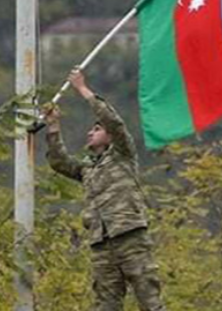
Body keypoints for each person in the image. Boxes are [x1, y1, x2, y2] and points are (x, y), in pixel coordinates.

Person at [44, 68, 167, 311]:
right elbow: (59, 162)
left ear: (110, 136)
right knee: (105, 305)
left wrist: (82, 89)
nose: (90, 132)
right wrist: (53, 127)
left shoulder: (123, 153)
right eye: (91, 129)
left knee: (149, 299)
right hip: (102, 242)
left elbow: (113, 121)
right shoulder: (88, 168)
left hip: (129, 234)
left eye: (97, 129)